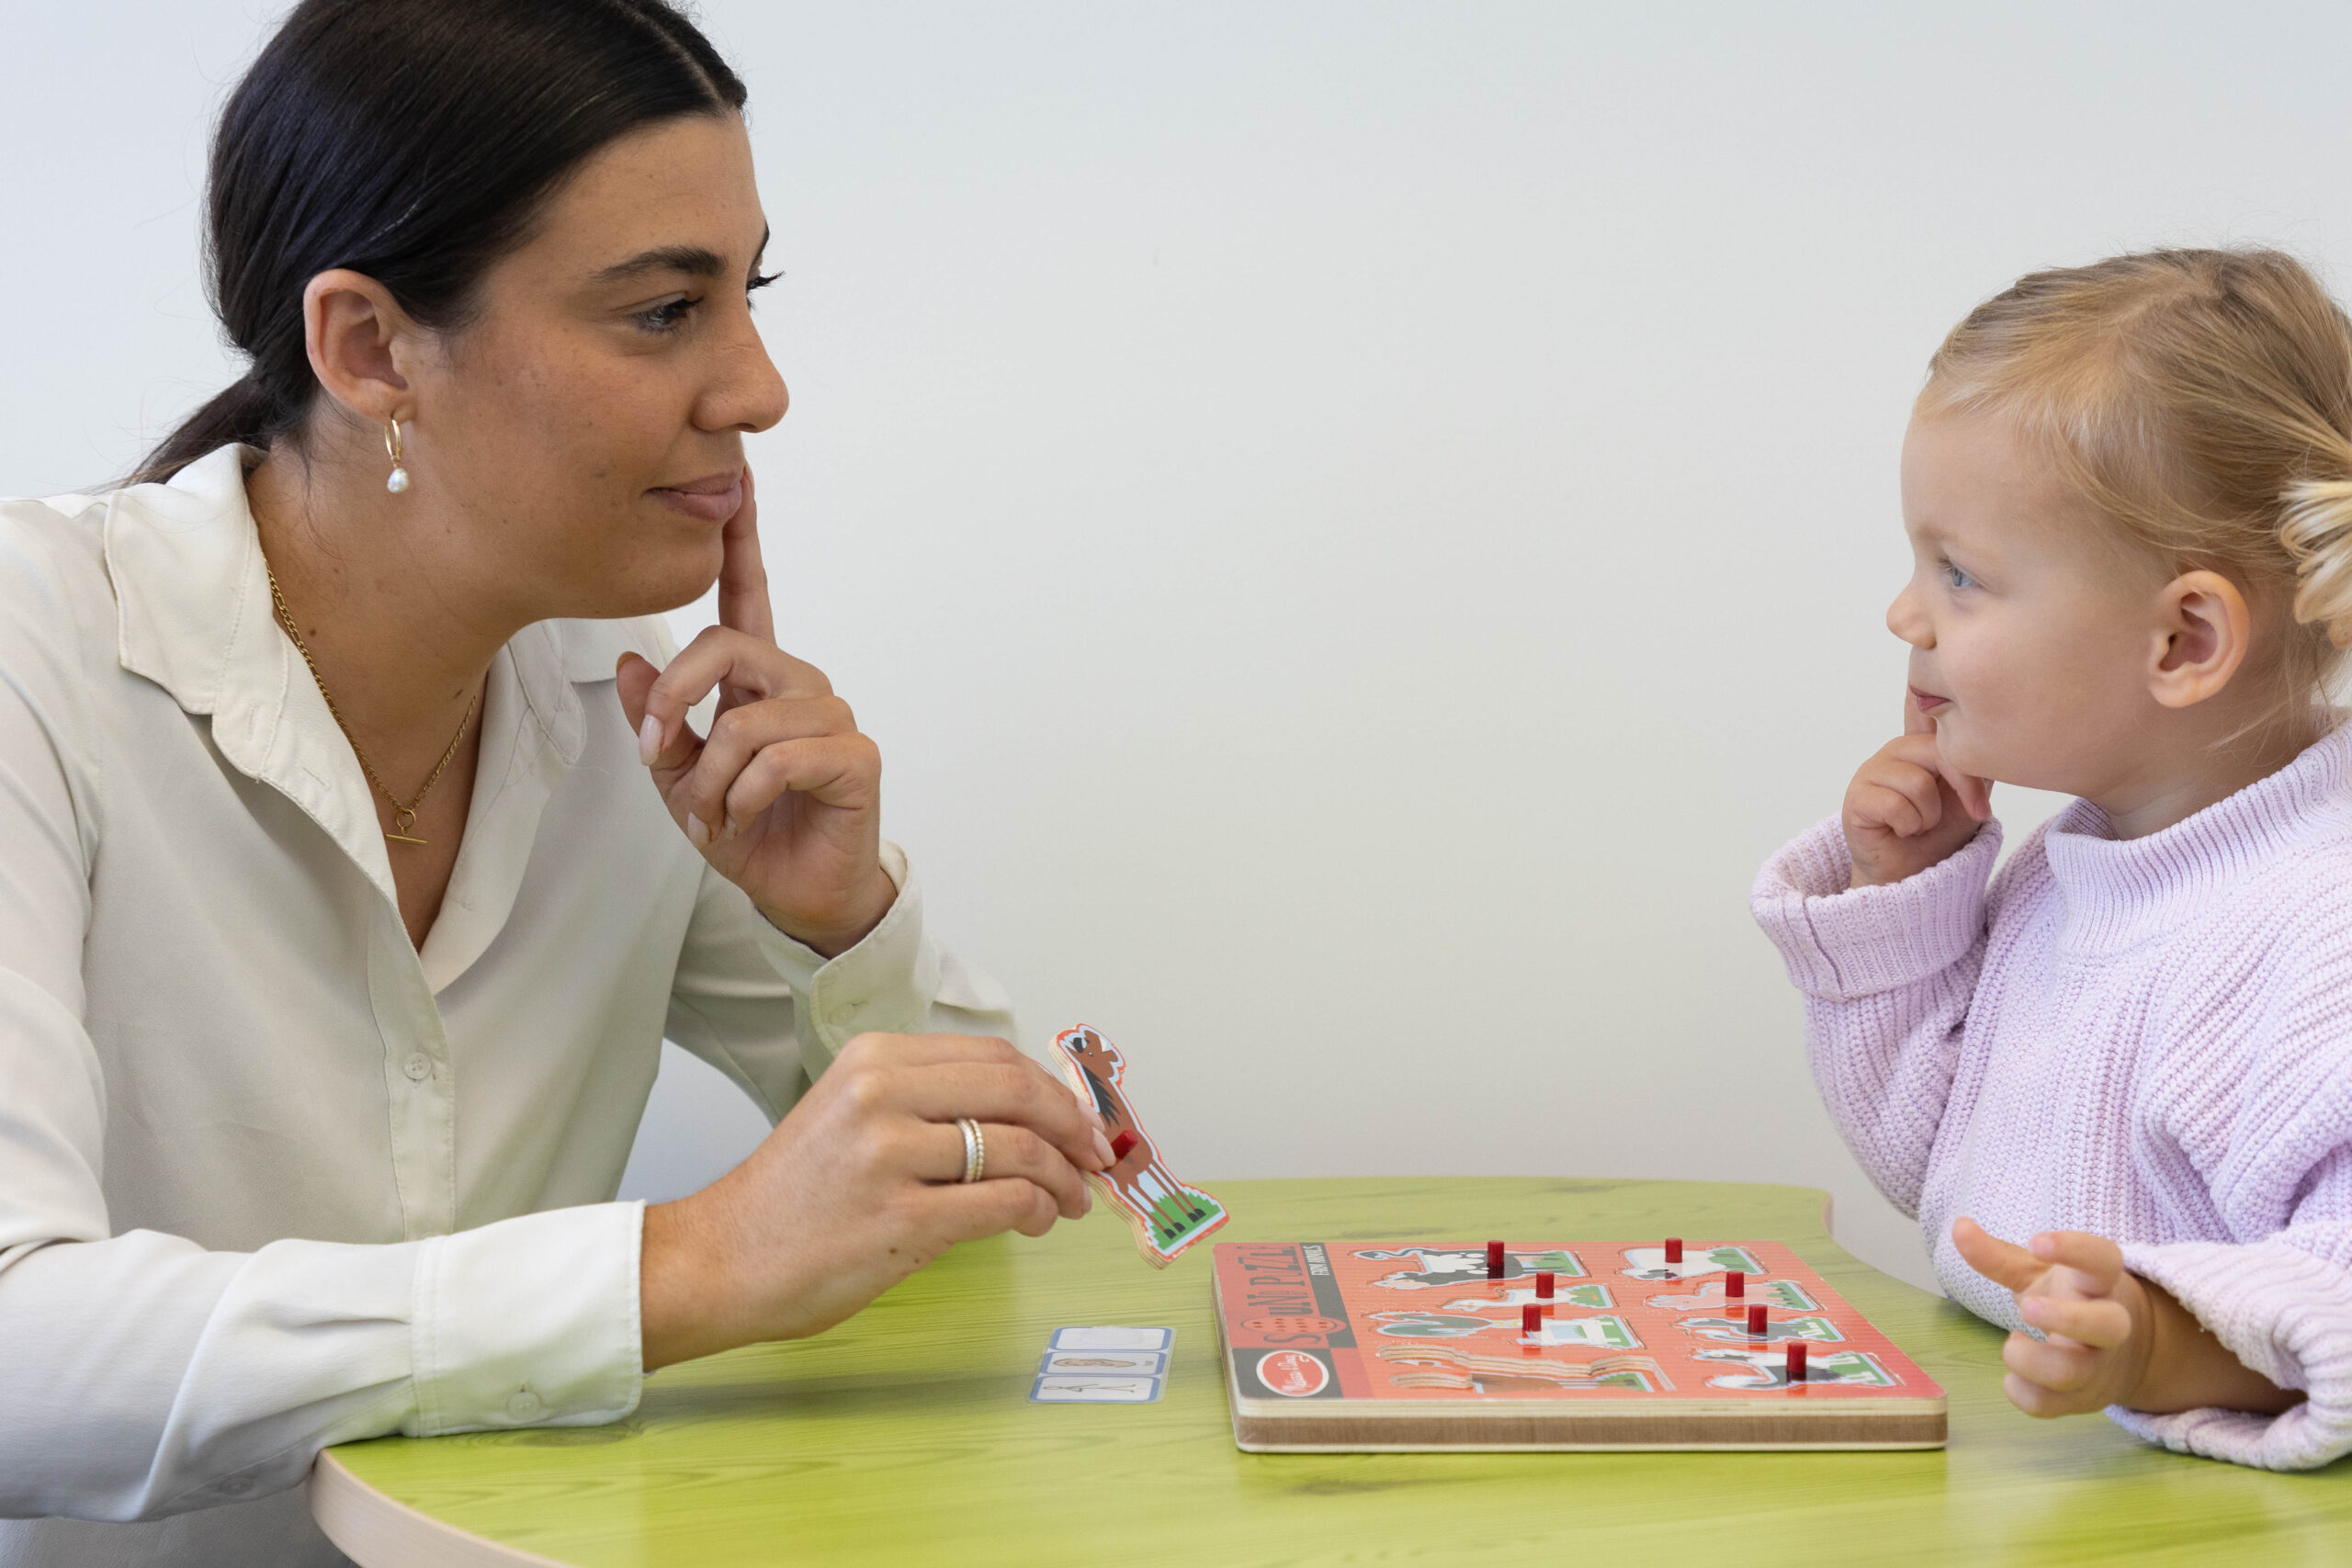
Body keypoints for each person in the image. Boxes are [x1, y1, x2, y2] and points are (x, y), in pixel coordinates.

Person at [0, 2, 1113, 1562]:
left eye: (750, 291)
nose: (759, 388)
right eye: (666, 312)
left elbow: (1010, 1210)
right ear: (370, 348)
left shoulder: (632, 704)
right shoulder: (37, 657)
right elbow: (15, 1357)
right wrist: (679, 1268)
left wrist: (837, 926)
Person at [1752, 248, 2352, 1471]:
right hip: (2062, 1472)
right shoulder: (2083, 853)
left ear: (2183, 639)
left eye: (1960, 575)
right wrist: (1900, 905)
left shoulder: (2318, 932)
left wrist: (2161, 1343)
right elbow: (1953, 1184)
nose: (1904, 617)